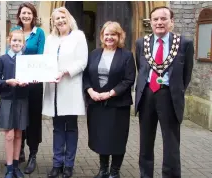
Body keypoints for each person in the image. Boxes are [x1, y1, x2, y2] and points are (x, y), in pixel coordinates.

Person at [135, 6, 194, 178]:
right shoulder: (141, 43)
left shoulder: (184, 43)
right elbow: (142, 69)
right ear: (151, 22)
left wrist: (174, 90)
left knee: (171, 143)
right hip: (146, 95)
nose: (159, 22)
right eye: (155, 19)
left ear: (171, 22)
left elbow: (186, 74)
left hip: (169, 96)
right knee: (145, 142)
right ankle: (146, 175)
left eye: (163, 19)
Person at [83, 21, 136, 178]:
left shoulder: (126, 55)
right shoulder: (94, 54)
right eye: (106, 34)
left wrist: (110, 93)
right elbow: (85, 76)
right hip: (96, 104)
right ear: (102, 36)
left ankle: (114, 172)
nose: (109, 37)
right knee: (101, 137)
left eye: (113, 34)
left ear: (119, 36)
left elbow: (128, 80)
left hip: (118, 104)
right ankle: (103, 169)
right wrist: (90, 90)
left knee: (117, 138)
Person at [42, 7, 88, 178]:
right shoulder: (50, 39)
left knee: (71, 128)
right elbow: (45, 61)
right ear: (53, 22)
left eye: (63, 17)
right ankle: (57, 164)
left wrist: (65, 71)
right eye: (56, 19)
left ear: (69, 18)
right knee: (57, 128)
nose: (60, 21)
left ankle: (69, 165)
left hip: (70, 87)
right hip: (53, 89)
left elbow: (82, 61)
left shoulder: (78, 36)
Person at [9, 2, 45, 174]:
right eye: (23, 13)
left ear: (33, 16)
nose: (26, 16)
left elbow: (40, 55)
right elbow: (10, 52)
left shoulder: (39, 33)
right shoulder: (15, 30)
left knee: (33, 118)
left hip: (35, 83)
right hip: (18, 82)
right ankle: (19, 150)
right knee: (19, 116)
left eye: (29, 13)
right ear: (19, 15)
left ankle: (33, 155)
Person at [0, 30, 30, 178]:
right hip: (7, 100)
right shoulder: (2, 59)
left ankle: (16, 167)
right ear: (9, 41)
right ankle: (9, 168)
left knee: (18, 135)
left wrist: (29, 82)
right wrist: (7, 82)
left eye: (19, 41)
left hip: (22, 100)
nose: (16, 43)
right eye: (14, 40)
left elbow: (33, 78)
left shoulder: (27, 60)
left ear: (23, 44)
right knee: (9, 135)